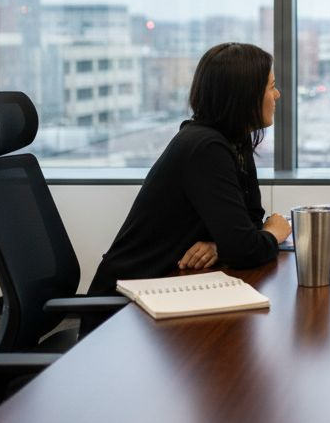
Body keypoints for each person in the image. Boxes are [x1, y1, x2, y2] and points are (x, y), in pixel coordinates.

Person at [86, 42, 291, 316]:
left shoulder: (234, 140)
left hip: (166, 291)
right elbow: (247, 248)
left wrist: (221, 246)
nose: (277, 94)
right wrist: (274, 233)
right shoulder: (205, 148)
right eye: (270, 86)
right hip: (125, 308)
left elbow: (250, 219)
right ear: (244, 96)